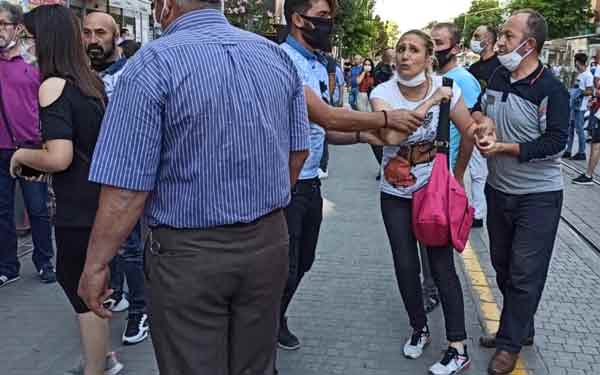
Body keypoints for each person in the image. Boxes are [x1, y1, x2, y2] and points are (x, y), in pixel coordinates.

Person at [278, 0, 426, 352]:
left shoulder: (315, 64)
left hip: (310, 180)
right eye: (324, 17)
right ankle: (260, 335)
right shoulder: (283, 61)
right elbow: (328, 116)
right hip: (286, 183)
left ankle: (274, 316)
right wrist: (384, 121)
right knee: (283, 266)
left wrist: (364, 136)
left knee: (304, 262)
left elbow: (324, 130)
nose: (330, 24)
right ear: (299, 19)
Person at [9, 5, 124, 375]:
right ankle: (103, 357)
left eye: (30, 37)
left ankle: (97, 368)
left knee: (79, 287)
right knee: (93, 282)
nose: (26, 45)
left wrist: (21, 156)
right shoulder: (87, 81)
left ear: (47, 40)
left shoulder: (53, 85)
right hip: (100, 201)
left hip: (78, 207)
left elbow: (60, 156)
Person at [369, 29, 484, 375]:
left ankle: (457, 346)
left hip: (431, 193)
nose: (405, 55)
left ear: (428, 57)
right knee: (406, 266)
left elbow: (469, 130)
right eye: (401, 49)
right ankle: (418, 328)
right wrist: (432, 102)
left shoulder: (450, 89)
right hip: (395, 195)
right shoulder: (382, 92)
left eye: (414, 49)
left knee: (441, 267)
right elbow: (391, 135)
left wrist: (460, 171)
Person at [473, 9, 569, 374]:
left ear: (529, 45)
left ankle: (508, 344)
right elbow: (484, 113)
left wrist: (505, 148)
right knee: (502, 265)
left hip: (538, 198)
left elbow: (556, 143)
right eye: (501, 35)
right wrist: (483, 128)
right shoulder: (498, 75)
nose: (500, 42)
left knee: (525, 271)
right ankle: (521, 327)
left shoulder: (551, 90)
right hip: (500, 191)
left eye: (508, 36)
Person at [83, 11, 149, 346]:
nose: (93, 40)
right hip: (93, 173)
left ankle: (141, 310)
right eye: (87, 33)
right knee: (111, 245)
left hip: (128, 176)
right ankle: (118, 293)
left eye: (100, 33)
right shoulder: (82, 77)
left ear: (116, 37)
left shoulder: (132, 75)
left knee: (130, 247)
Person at [0, 0, 55, 287]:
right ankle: (8, 266)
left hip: (31, 147)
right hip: (0, 149)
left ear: (17, 28)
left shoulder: (33, 65)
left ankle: (45, 261)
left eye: (2, 24)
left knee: (37, 208)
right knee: (2, 210)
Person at [434, 22, 486, 228]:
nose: (434, 49)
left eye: (438, 43)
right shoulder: (435, 77)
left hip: (447, 170)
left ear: (455, 48)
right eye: (431, 43)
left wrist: (458, 175)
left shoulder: (463, 80)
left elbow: (470, 131)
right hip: (431, 170)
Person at [370, 48, 396, 179]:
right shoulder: (381, 69)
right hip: (383, 108)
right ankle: (384, 165)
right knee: (377, 139)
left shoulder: (398, 67)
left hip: (396, 108)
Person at [564, 53, 592, 160]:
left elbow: (590, 91)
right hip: (573, 106)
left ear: (577, 62)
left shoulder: (588, 75)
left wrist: (579, 92)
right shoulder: (579, 74)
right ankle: (568, 150)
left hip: (580, 108)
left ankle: (582, 152)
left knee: (579, 130)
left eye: (575, 62)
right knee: (570, 128)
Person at [469, 25, 501, 90]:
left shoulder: (500, 67)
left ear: (488, 40)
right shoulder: (473, 68)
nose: (472, 40)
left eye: (476, 36)